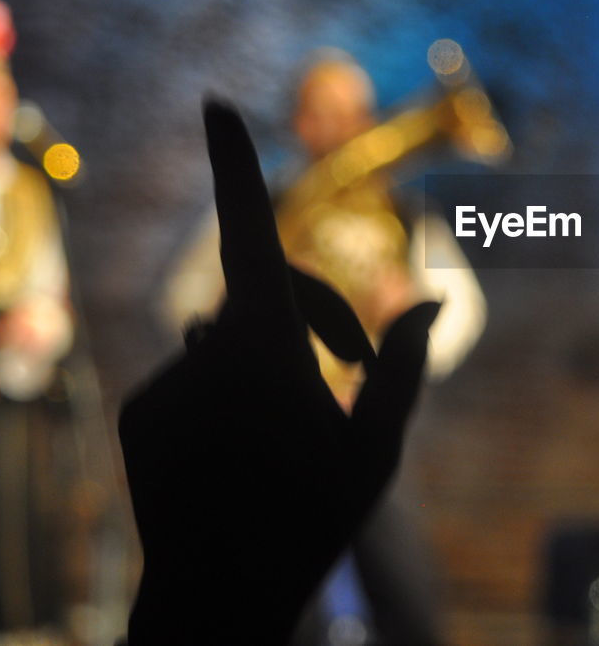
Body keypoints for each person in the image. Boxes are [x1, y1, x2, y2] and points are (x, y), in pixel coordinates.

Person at [162, 51, 485, 646]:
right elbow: (183, 299)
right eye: (328, 113)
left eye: (358, 113)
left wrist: (400, 331)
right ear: (300, 123)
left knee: (408, 596)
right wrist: (248, 298)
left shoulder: (405, 214)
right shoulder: (261, 207)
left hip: (366, 424)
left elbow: (464, 310)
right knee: (280, 608)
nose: (348, 127)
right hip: (275, 427)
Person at [0, 0, 76, 637]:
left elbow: (52, 294)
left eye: (1, 89)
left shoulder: (29, 190)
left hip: (12, 396)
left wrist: (36, 327)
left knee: (13, 555)